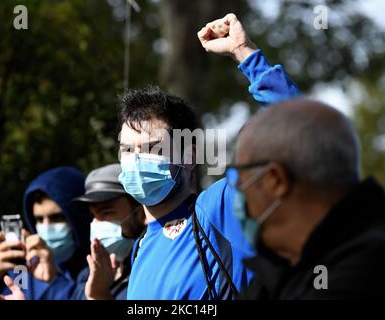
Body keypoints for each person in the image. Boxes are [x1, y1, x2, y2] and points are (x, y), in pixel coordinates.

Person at [116, 12, 300, 299]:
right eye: (128, 149)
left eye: (152, 147)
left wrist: (244, 52)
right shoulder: (139, 247)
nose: (136, 160)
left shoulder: (218, 211)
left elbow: (293, 127)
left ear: (189, 156)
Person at [228, 99, 385, 299]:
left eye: (239, 180)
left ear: (276, 180)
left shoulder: (367, 269)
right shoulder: (294, 263)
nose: (238, 193)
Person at [0, 166, 91, 300]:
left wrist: (54, 282)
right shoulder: (23, 269)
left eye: (57, 218)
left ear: (79, 217)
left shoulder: (101, 269)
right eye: (39, 219)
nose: (46, 227)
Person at [71, 164, 146, 300]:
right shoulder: (87, 277)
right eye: (93, 215)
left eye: (106, 212)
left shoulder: (150, 274)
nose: (97, 223)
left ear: (140, 213)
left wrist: (100, 296)